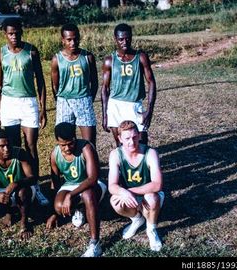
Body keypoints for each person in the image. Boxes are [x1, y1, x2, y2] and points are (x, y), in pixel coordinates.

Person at [0, 17, 49, 206]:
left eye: (17, 33)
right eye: (10, 33)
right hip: (9, 103)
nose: (14, 36)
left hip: (28, 103)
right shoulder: (0, 54)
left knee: (31, 146)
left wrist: (43, 109)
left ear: (21, 32)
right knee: (14, 148)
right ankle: (18, 188)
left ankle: (36, 186)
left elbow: (40, 81)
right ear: (5, 34)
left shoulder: (31, 51)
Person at [46, 122, 107, 257]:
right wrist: (54, 213)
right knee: (59, 206)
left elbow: (92, 178)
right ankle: (80, 209)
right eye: (63, 145)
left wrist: (70, 195)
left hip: (93, 185)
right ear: (57, 142)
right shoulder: (55, 154)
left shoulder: (86, 147)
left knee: (88, 194)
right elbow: (55, 184)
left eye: (70, 143)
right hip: (70, 185)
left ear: (75, 138)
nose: (67, 148)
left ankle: (95, 244)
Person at [108, 120, 164, 251]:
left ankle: (151, 229)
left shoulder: (150, 153)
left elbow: (157, 184)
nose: (131, 142)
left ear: (139, 135)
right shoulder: (115, 154)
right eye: (127, 138)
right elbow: (112, 186)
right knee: (115, 201)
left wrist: (130, 191)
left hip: (150, 194)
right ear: (120, 138)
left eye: (134, 137)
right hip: (132, 196)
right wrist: (124, 193)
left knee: (151, 197)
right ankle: (137, 219)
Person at [101, 23, 157, 146]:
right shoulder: (109, 60)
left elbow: (151, 82)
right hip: (116, 105)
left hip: (134, 104)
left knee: (142, 143)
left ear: (131, 37)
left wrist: (149, 110)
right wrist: (105, 115)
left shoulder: (141, 57)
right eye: (121, 39)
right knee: (121, 144)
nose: (124, 42)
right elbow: (105, 88)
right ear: (115, 39)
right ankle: (124, 165)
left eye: (127, 38)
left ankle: (142, 165)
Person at [0, 129, 36, 240]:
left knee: (22, 192)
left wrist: (16, 183)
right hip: (3, 191)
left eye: (8, 144)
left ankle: (24, 223)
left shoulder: (20, 153)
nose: (6, 149)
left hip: (22, 188)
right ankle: (9, 212)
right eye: (2, 146)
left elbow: (32, 178)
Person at [51, 23, 98, 148]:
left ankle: (90, 166)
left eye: (75, 39)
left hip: (84, 100)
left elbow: (94, 82)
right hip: (64, 101)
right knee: (66, 140)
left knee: (89, 143)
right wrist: (60, 99)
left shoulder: (87, 57)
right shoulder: (57, 59)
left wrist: (89, 99)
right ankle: (74, 165)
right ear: (63, 41)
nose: (73, 43)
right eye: (69, 40)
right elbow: (55, 85)